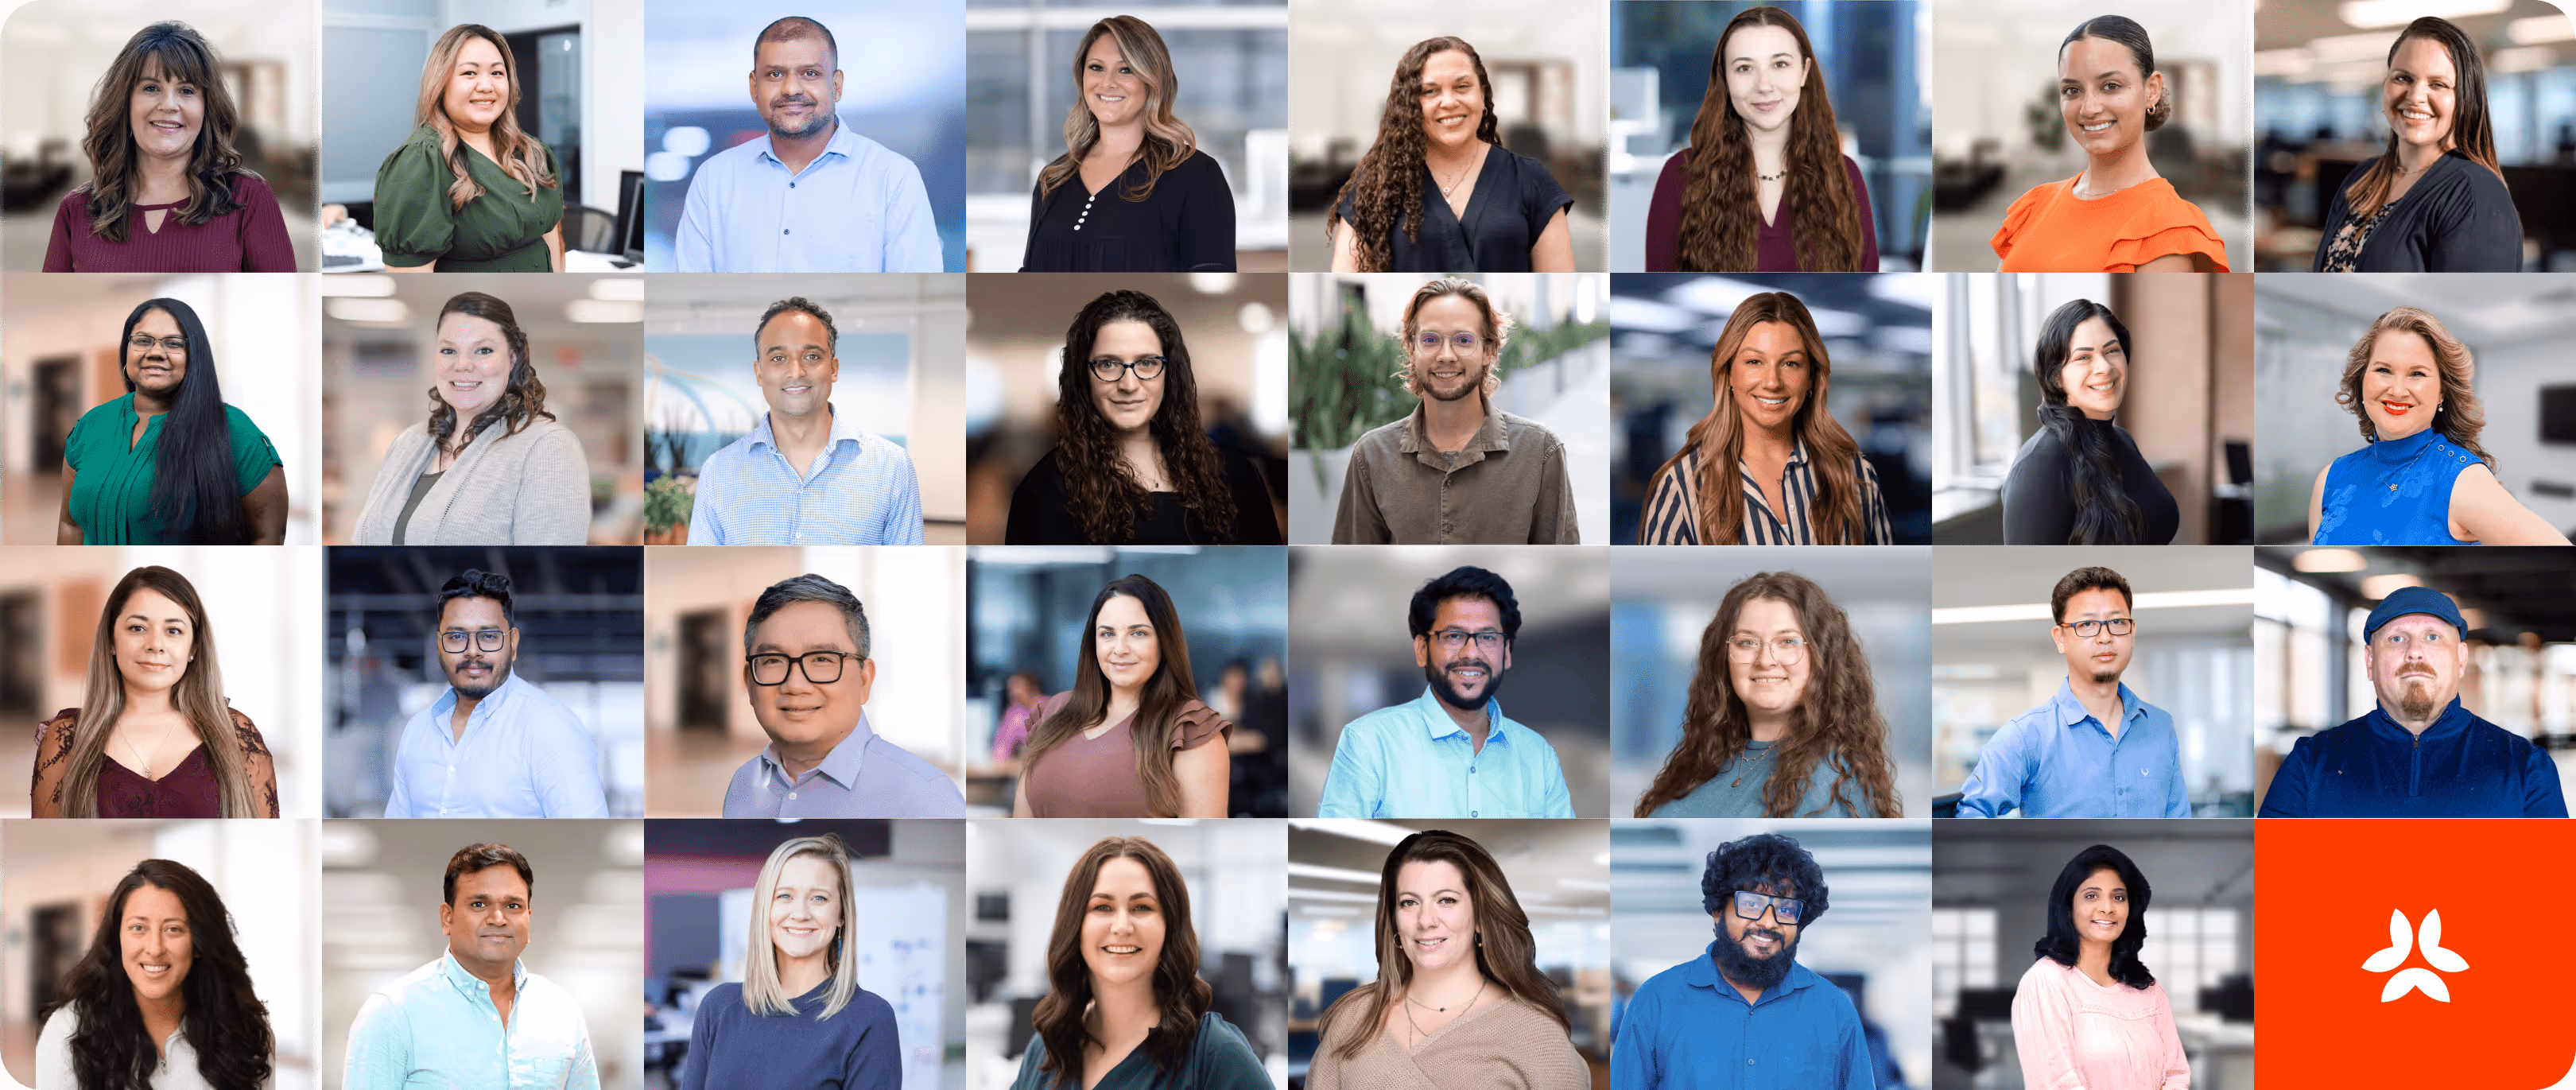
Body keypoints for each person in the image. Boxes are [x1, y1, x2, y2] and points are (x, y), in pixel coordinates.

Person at [1308, 830, 1586, 1090]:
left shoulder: (1537, 1031)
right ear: (1393, 918)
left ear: (1479, 917)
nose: (1426, 921)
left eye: (1447, 900)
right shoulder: (1354, 1018)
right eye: (1409, 902)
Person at [2260, 586, 2566, 817]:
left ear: (2461, 659)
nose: (2414, 652)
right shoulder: (2310, 765)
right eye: (2397, 639)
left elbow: (2550, 894)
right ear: (2369, 661)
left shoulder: (2526, 768)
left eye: (2433, 637)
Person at [1006, 290, 1279, 544]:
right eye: (1108, 364)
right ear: (1083, 377)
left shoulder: (1235, 475)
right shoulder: (1045, 490)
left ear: (1169, 375)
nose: (1128, 384)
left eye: (1147, 363)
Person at [676, 17, 940, 273]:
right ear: (754, 87)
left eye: (810, 73)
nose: (791, 88)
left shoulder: (893, 179)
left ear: (836, 86)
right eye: (775, 74)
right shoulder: (714, 179)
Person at [1611, 833, 1872, 1090]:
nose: (1769, 922)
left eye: (1786, 909)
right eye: (1751, 904)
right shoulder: (1656, 1001)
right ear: (1717, 911)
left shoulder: (1834, 1010)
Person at [1331, 278, 1579, 545]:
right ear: (1411, 350)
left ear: (1489, 350)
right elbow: (1353, 574)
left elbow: (1561, 576)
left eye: (1463, 340)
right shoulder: (1372, 456)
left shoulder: (1540, 453)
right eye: (1430, 339)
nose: (1446, 355)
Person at [1633, 572, 1901, 818]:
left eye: (1788, 642)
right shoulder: (1704, 760)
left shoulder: (1830, 784)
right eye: (1747, 642)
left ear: (1822, 658)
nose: (1765, 660)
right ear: (1724, 656)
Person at [1010, 837, 1267, 1089]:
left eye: (1142, 907)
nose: (1122, 926)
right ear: (1075, 925)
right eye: (1102, 907)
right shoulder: (1046, 1050)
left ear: (1169, 926)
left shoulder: (1215, 1057)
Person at [1317, 567, 1575, 818]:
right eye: (1453, 636)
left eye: (1488, 637)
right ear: (1421, 650)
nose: (1471, 653)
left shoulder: (1538, 756)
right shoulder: (1369, 743)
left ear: (1506, 653)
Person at [1638, 291, 1892, 545]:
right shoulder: (1682, 486)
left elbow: (1887, 582)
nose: (1772, 382)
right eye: (1754, 362)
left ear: (1812, 378)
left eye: (1791, 364)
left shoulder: (1855, 476)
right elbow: (1655, 584)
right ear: (1728, 374)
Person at [344, 844, 600, 1090]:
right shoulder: (393, 1014)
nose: (498, 919)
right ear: (448, 918)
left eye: (513, 906)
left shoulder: (563, 1012)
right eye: (479, 904)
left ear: (528, 921)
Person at [43, 22, 293, 273]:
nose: (169, 105)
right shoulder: (75, 209)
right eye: (151, 88)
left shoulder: (249, 197)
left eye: (186, 90)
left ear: (206, 107)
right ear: (125, 103)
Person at [2307, 306, 2567, 545]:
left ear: (2442, 392)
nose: (2397, 390)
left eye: (2417, 374)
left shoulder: (2462, 480)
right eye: (2384, 370)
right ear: (2362, 379)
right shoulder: (2330, 478)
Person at [33, 566, 278, 819]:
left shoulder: (237, 734)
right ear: (111, 640)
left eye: (173, 631)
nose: (156, 645)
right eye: (138, 628)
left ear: (193, 647)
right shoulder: (66, 738)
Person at [1644, 6, 1877, 273]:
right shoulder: (1679, 176)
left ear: (1804, 71)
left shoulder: (1846, 176)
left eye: (1780, 65)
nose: (1764, 86)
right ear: (1725, 78)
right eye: (1744, 68)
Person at [348, 293, 592, 545]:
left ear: (512, 358)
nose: (462, 364)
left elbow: (546, 573)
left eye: (483, 350)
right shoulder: (407, 443)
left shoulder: (547, 446)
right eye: (449, 350)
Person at [1990, 17, 2227, 273]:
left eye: (2110, 86)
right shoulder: (2035, 205)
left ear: (2152, 90)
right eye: (2072, 90)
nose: (2089, 108)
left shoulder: (2169, 228)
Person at [688, 297, 926, 545]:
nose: (796, 372)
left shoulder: (892, 468)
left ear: (833, 369)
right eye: (778, 358)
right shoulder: (717, 472)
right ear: (759, 373)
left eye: (811, 356)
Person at [723, 574, 965, 817]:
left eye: (822, 659)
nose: (795, 685)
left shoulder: (926, 798)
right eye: (773, 660)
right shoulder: (743, 785)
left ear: (864, 680)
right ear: (750, 682)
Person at [1954, 566, 2188, 819]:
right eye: (2087, 624)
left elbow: (2180, 831)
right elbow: (1970, 816)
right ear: (2060, 638)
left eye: (2118, 622)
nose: (2105, 637)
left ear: (2131, 631)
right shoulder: (2026, 736)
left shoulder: (2161, 726)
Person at [1329, 38, 1576, 273]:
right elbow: (1348, 273)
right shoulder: (1373, 185)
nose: (1449, 101)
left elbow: (1561, 278)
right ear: (1410, 106)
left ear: (1483, 96)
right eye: (1430, 91)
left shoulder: (1531, 179)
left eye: (1462, 86)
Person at [680, 834, 901, 1090]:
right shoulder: (718, 1008)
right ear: (766, 908)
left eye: (819, 898)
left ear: (841, 915)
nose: (800, 914)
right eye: (785, 896)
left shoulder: (870, 1019)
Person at [58, 298, 285, 545]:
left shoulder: (235, 430)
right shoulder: (91, 425)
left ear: (194, 355)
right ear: (127, 350)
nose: (155, 353)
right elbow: (70, 525)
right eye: (143, 341)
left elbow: (268, 536)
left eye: (173, 343)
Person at [384, 570, 609, 818]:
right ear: (440, 646)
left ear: (513, 644)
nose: (472, 651)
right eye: (457, 637)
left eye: (489, 636)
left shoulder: (550, 726)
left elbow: (584, 842)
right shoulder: (417, 731)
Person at [34, 859, 275, 1090]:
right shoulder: (69, 1028)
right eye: (138, 928)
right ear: (118, 939)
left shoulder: (247, 1030)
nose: (155, 948)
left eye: (173, 929)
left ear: (199, 943)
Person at [1018, 17, 1234, 273]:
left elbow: (1206, 284)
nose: (1107, 82)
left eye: (1126, 70)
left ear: (1153, 80)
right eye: (1096, 67)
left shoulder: (1197, 175)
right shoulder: (1053, 180)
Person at [2312, 17, 2520, 272]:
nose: (2415, 97)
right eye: (2403, 78)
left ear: (2464, 99)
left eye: (2438, 84)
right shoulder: (2362, 178)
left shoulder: (2474, 192)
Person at [1014, 575, 1231, 818]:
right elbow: (1020, 828)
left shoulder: (1190, 729)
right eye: (1107, 634)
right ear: (1092, 642)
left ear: (1164, 641)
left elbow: (1199, 846)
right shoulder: (1054, 711)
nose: (1120, 648)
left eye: (1138, 633)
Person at [372, 24, 564, 272]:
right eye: (469, 74)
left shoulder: (531, 151)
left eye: (497, 73)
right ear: (441, 83)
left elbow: (552, 238)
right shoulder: (422, 163)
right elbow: (412, 290)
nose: (486, 86)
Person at [2011, 846, 2190, 1090]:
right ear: (2068, 906)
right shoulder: (2046, 980)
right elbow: (2056, 1082)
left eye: (2118, 897)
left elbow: (2177, 1073)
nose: (2107, 908)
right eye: (2091, 896)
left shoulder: (2149, 990)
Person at [2001, 299, 2179, 545]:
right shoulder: (2040, 463)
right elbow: (2029, 579)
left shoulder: (2122, 440)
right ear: (2056, 378)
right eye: (2083, 357)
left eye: (2112, 351)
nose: (2104, 367)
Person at [991, 672, 1044, 762]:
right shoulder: (1014, 713)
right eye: (1010, 689)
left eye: (1017, 687)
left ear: (1033, 689)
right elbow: (1001, 749)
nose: (1013, 693)